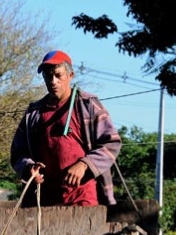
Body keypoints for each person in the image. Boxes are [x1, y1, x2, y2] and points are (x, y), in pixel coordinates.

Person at [11, 50, 122, 207]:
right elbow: (17, 153)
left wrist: (85, 164)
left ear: (70, 76)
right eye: (48, 76)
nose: (53, 81)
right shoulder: (34, 113)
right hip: (43, 203)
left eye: (58, 75)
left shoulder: (87, 105)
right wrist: (29, 167)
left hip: (84, 200)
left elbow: (111, 143)